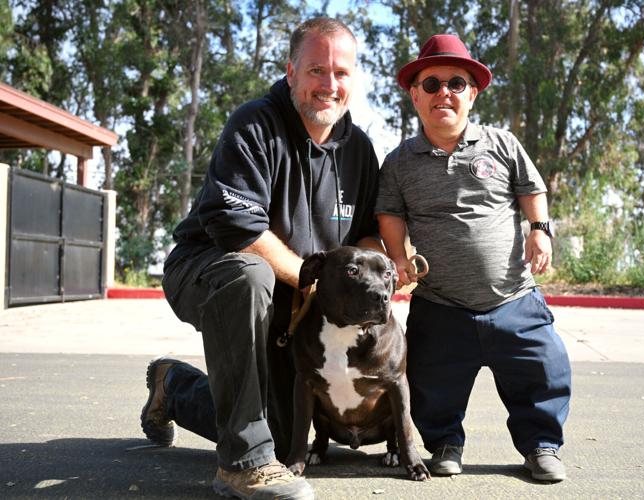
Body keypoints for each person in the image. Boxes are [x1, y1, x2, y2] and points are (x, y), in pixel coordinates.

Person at [140, 17, 383, 500]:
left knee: (279, 422)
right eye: (316, 70)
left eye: (341, 73)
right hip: (208, 269)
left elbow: (369, 238)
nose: (328, 85)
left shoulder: (359, 150)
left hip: (289, 297)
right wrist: (315, 289)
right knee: (250, 273)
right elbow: (240, 231)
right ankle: (242, 465)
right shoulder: (254, 124)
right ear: (291, 72)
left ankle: (174, 385)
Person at [375, 34, 572, 482]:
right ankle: (445, 443)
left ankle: (541, 445)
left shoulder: (501, 143)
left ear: (473, 93)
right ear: (414, 94)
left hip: (513, 299)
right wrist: (396, 257)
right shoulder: (399, 161)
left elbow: (532, 190)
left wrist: (539, 231)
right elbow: (389, 213)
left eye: (456, 83)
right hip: (441, 304)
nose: (443, 92)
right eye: (431, 84)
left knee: (543, 371)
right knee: (431, 383)